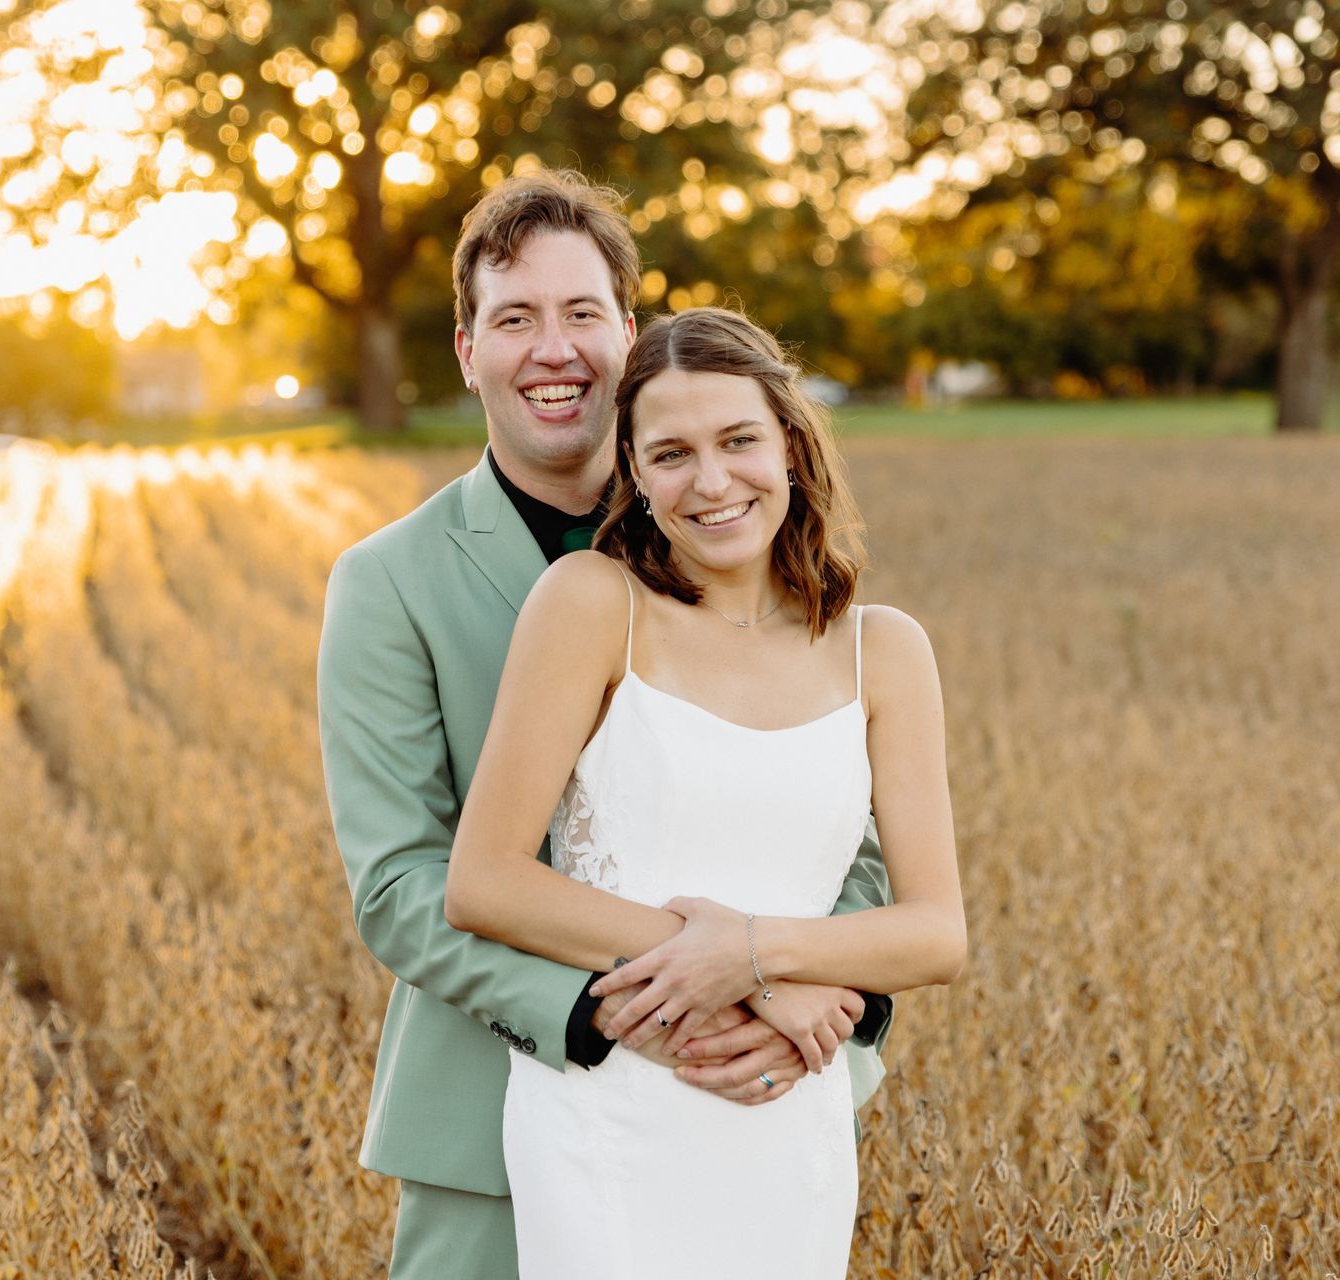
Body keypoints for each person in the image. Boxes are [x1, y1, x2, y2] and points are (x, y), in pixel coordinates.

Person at [317, 171, 899, 1279]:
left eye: (583, 313)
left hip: (763, 1091)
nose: (554, 349)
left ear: (629, 334)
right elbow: (399, 882)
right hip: (495, 1117)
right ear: (465, 348)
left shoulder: (744, 537)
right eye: (515, 319)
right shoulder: (387, 582)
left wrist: (820, 991)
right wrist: (606, 1009)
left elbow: (849, 824)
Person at [441, 305, 967, 1278]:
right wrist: (729, 969)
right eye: (672, 452)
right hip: (612, 1109)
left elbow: (937, 933)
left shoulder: (884, 648)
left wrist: (765, 959)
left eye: (739, 440)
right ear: (633, 474)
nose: (713, 481)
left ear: (793, 447)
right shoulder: (592, 604)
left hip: (785, 1104)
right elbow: (485, 879)